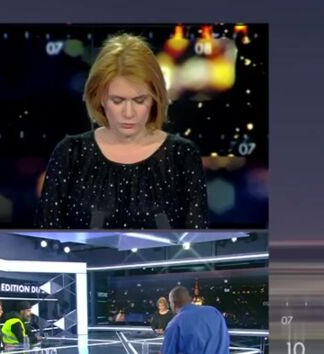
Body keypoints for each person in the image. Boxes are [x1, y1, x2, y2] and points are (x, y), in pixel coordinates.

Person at [37, 34, 209, 230]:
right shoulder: (70, 153)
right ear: (100, 98)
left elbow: (197, 236)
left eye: (139, 100)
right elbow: (46, 230)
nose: (129, 113)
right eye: (117, 101)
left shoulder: (182, 155)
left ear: (155, 98)